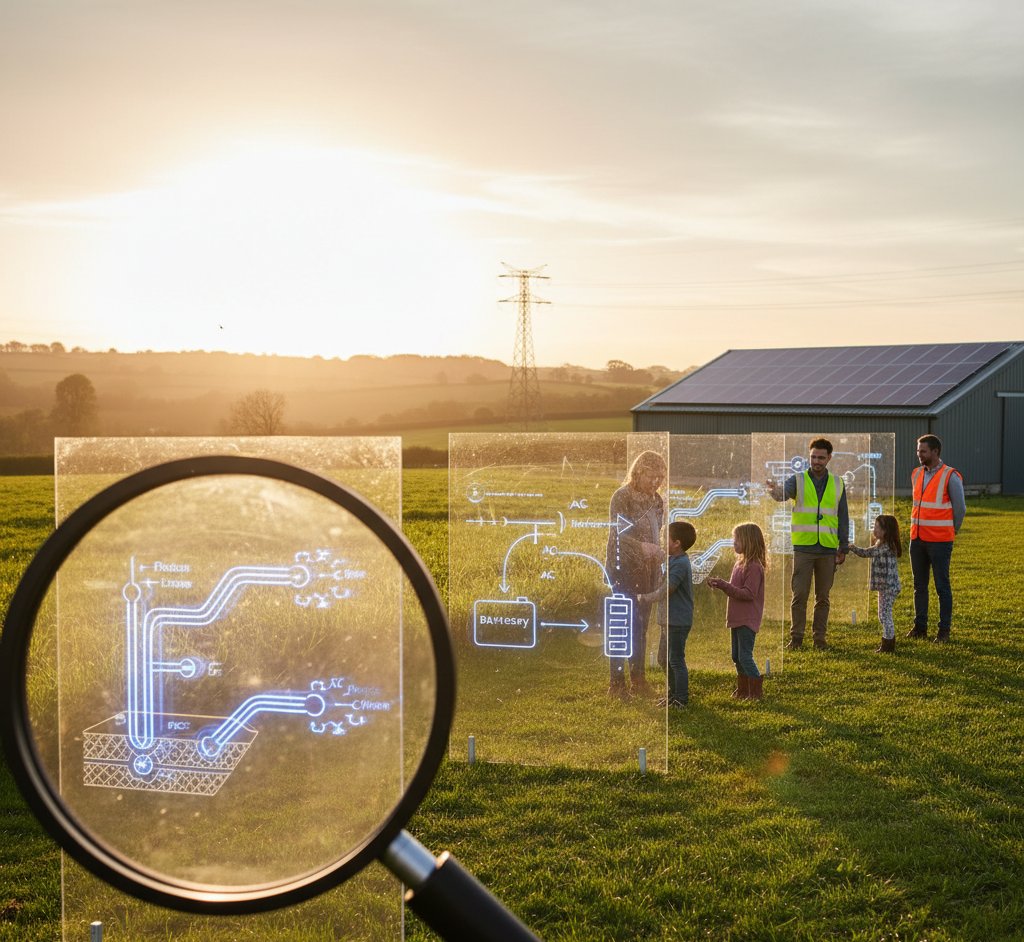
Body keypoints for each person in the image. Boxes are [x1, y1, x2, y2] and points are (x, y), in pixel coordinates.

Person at [766, 437, 849, 650]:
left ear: (829, 458)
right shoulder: (798, 480)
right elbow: (781, 495)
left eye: (821, 457)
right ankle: (796, 639)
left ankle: (820, 639)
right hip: (803, 548)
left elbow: (843, 516)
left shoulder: (838, 483)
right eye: (813, 457)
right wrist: (774, 490)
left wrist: (843, 546)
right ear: (809, 456)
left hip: (828, 549)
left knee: (823, 597)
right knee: (800, 595)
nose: (817, 461)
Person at [606, 449, 666, 699]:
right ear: (638, 472)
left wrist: (659, 553)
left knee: (641, 627)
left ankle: (639, 680)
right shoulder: (622, 497)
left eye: (661, 478)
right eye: (652, 476)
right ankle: (617, 684)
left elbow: (657, 531)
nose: (656, 482)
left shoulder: (658, 500)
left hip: (648, 572)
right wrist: (641, 547)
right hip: (623, 570)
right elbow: (618, 534)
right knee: (622, 627)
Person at [907, 434, 965, 643]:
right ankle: (920, 627)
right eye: (918, 451)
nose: (919, 455)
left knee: (942, 587)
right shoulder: (916, 474)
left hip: (940, 541)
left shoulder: (951, 476)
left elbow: (960, 509)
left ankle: (944, 631)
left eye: (923, 451)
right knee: (919, 586)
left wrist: (952, 531)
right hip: (918, 539)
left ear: (935, 452)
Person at [708, 522, 767, 701]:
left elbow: (749, 594)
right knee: (736, 656)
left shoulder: (754, 567)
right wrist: (721, 585)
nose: (734, 543)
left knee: (744, 655)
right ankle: (743, 689)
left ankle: (755, 691)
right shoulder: (740, 564)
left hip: (747, 619)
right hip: (737, 618)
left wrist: (724, 585)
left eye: (737, 539)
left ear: (748, 541)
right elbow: (735, 588)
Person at [642, 521, 696, 707]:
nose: (662, 540)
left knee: (675, 660)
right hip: (668, 620)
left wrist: (644, 598)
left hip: (677, 621)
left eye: (666, 537)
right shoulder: (672, 560)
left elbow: (667, 589)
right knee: (663, 659)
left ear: (677, 543)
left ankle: (681, 698)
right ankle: (673, 695)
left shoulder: (680, 563)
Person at [850, 514, 902, 653]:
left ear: (886, 531)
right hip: (885, 587)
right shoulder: (882, 544)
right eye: (874, 526)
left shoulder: (885, 547)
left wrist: (852, 548)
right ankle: (887, 641)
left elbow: (867, 552)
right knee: (883, 615)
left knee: (885, 615)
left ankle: (888, 645)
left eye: (878, 528)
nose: (874, 530)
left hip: (888, 587)